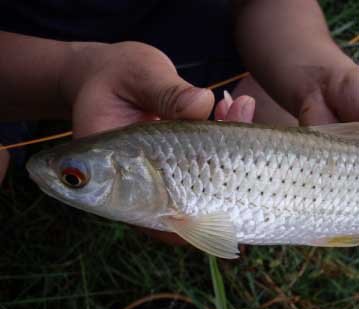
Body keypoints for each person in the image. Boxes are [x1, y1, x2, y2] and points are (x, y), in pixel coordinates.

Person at [0, 1, 357, 242]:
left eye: (74, 178)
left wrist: (322, 80)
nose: (70, 179)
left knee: (281, 118)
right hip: (19, 55)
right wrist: (67, 75)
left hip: (206, 34)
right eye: (74, 178)